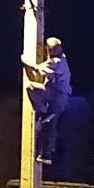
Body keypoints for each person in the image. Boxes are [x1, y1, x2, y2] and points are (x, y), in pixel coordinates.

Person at [20, 36, 72, 165]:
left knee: (31, 87)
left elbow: (39, 68)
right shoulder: (61, 58)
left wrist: (25, 61)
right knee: (47, 124)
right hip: (57, 96)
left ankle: (46, 153)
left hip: (56, 96)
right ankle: (45, 153)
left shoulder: (56, 62)